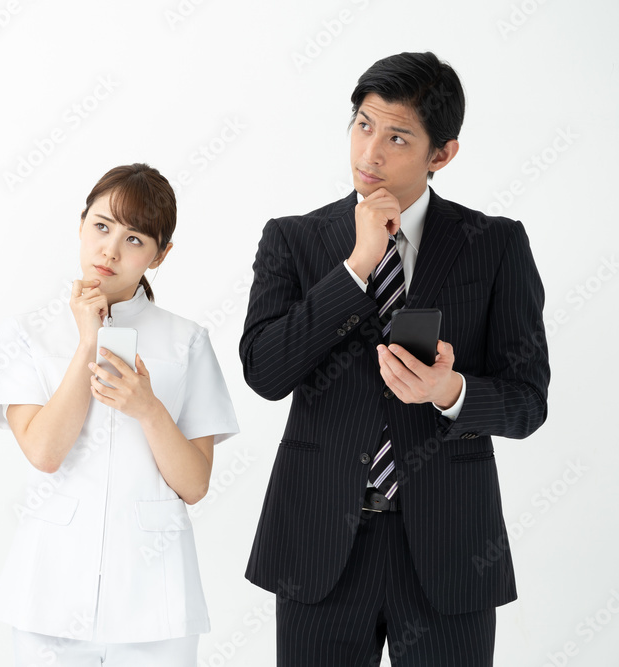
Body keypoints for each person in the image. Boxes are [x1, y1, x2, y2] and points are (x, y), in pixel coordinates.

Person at [239, 52, 550, 666]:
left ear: (442, 154)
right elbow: (265, 372)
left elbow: (528, 402)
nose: (369, 153)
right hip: (320, 544)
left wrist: (450, 391)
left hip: (449, 549)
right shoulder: (294, 239)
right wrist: (355, 269)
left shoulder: (494, 245)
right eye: (362, 125)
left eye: (397, 136)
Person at [0, 163, 239, 666]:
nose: (110, 250)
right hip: (50, 593)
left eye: (134, 239)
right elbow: (43, 452)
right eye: (101, 227)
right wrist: (88, 341)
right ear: (81, 225)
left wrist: (148, 408)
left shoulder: (186, 340)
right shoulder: (28, 333)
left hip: (155, 600)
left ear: (160, 255)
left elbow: (194, 484)